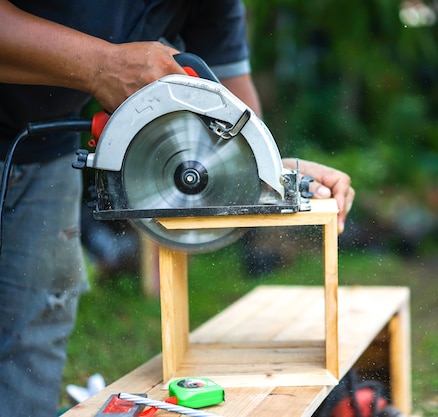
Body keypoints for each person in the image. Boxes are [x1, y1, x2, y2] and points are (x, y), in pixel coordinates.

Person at [0, 1, 355, 415]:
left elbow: (234, 114)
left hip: (46, 155)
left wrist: (275, 173)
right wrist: (103, 65)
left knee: (34, 336)